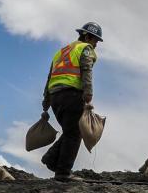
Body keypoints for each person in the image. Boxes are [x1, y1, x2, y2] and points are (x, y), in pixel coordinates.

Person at [40, 22, 102, 180]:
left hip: (56, 97)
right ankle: (63, 172)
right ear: (87, 36)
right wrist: (88, 95)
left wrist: (46, 101)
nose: (95, 45)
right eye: (95, 40)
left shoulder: (61, 52)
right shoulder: (85, 49)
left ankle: (52, 159)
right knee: (75, 133)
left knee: (70, 130)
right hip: (72, 94)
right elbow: (86, 70)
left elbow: (50, 77)